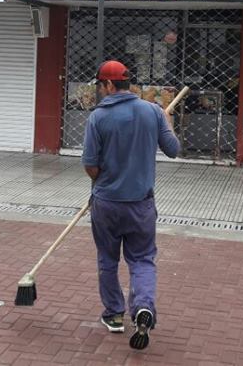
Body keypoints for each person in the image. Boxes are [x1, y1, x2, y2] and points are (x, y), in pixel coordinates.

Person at [82, 60, 181, 350]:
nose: (100, 91)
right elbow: (173, 150)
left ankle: (114, 314)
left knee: (108, 260)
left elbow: (89, 166)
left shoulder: (98, 118)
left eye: (101, 86)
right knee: (142, 259)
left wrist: (103, 180)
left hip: (107, 204)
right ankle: (143, 308)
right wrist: (167, 120)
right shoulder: (152, 112)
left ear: (109, 85)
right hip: (141, 205)